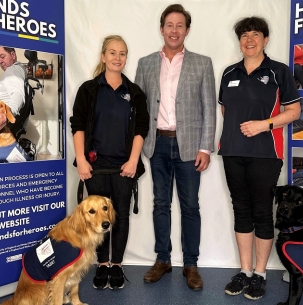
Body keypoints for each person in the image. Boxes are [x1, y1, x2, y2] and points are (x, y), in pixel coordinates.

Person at [134, 3, 216, 291]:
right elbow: (139, 110)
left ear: (187, 30)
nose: (174, 30)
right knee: (160, 204)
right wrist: (138, 146)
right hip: (157, 145)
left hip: (190, 146)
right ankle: (163, 259)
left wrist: (206, 147)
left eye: (180, 25)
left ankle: (191, 264)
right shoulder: (145, 63)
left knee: (190, 206)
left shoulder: (202, 63)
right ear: (161, 29)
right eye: (169, 25)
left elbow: (209, 107)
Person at [218, 16, 300, 300]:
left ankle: (261, 274)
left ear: (265, 39)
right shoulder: (229, 72)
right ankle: (245, 270)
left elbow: (294, 112)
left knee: (262, 212)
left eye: (255, 34)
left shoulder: (278, 71)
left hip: (266, 153)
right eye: (244, 35)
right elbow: (226, 111)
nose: (249, 40)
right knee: (241, 211)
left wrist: (263, 124)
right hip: (231, 152)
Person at [70, 35, 150, 290]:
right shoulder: (89, 90)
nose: (117, 58)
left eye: (122, 53)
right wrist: (81, 160)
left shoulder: (135, 92)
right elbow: (78, 125)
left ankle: (117, 265)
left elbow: (141, 128)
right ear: (103, 56)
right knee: (97, 219)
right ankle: (102, 264)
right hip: (95, 166)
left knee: (120, 216)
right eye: (112, 53)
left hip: (124, 167)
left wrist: (133, 161)